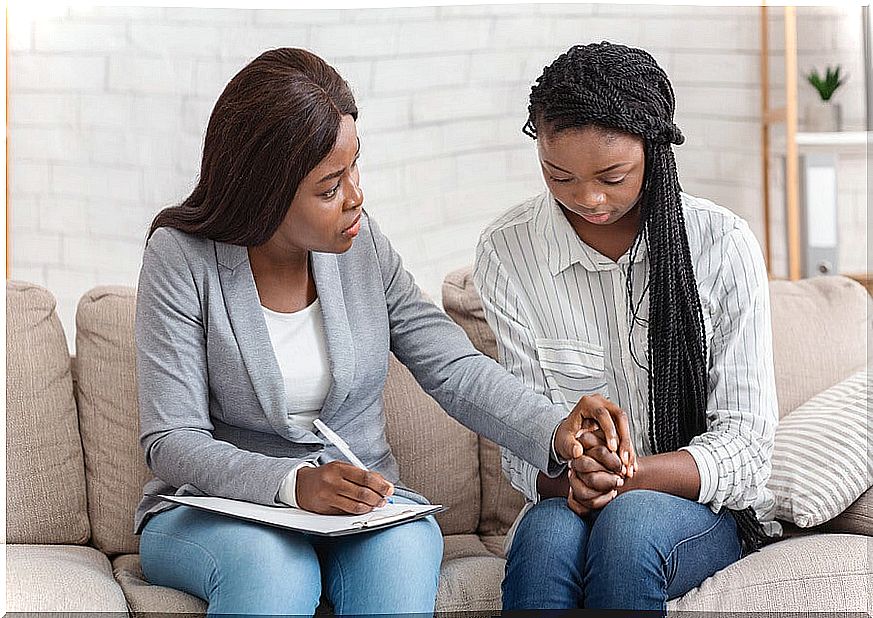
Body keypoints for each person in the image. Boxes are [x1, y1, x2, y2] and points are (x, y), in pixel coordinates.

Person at [133, 47, 615, 617]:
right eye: (329, 186)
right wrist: (293, 483)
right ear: (265, 193)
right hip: (222, 511)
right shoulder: (181, 259)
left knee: (399, 563)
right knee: (273, 572)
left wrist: (555, 429)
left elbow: (450, 364)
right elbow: (171, 439)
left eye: (353, 166)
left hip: (366, 506)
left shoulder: (361, 244)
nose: (356, 195)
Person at [472, 42, 780, 612]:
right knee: (545, 538)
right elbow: (521, 444)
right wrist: (573, 479)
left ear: (654, 152)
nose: (587, 199)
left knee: (629, 527)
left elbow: (747, 447)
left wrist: (623, 481)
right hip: (568, 497)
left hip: (700, 512)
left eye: (613, 177)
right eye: (558, 176)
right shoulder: (507, 251)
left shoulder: (721, 244)